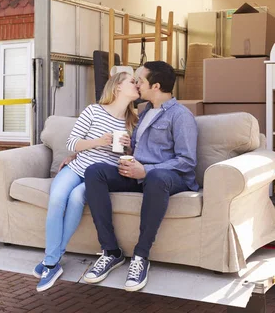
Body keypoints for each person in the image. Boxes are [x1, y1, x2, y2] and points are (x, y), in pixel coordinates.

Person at [83, 61, 198, 292]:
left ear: (155, 86)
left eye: (140, 80)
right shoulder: (144, 111)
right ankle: (111, 251)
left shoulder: (180, 115)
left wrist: (147, 170)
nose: (136, 84)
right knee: (94, 171)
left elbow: (186, 161)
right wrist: (127, 151)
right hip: (140, 173)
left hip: (171, 178)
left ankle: (141, 256)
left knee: (155, 179)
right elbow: (139, 152)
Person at [33, 72, 140, 292]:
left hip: (98, 177)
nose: (137, 85)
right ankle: (52, 260)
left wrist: (129, 148)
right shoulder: (93, 110)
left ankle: (51, 262)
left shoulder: (132, 120)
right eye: (132, 81)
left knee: (75, 199)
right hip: (76, 168)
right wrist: (98, 142)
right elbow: (72, 143)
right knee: (57, 200)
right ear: (118, 86)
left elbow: (132, 157)